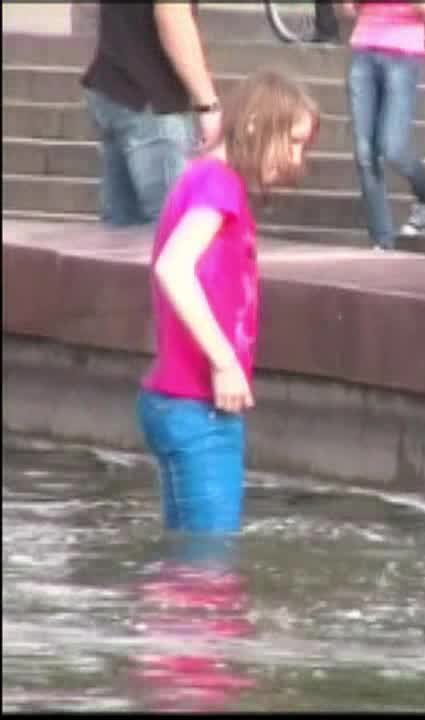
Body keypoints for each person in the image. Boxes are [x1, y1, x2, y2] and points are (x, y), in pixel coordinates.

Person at [136, 70, 319, 534]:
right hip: (199, 407)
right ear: (254, 125)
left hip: (176, 401)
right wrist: (224, 362)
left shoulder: (204, 179)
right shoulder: (218, 185)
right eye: (293, 142)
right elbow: (173, 267)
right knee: (210, 564)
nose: (297, 160)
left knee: (189, 560)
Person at [81, 1, 220, 226]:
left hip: (115, 82)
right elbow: (172, 15)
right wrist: (208, 105)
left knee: (122, 231)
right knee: (173, 230)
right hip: (152, 98)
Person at [339, 2, 425, 250]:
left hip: (403, 52)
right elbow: (347, 8)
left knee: (393, 148)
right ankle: (382, 239)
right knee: (364, 153)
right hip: (363, 48)